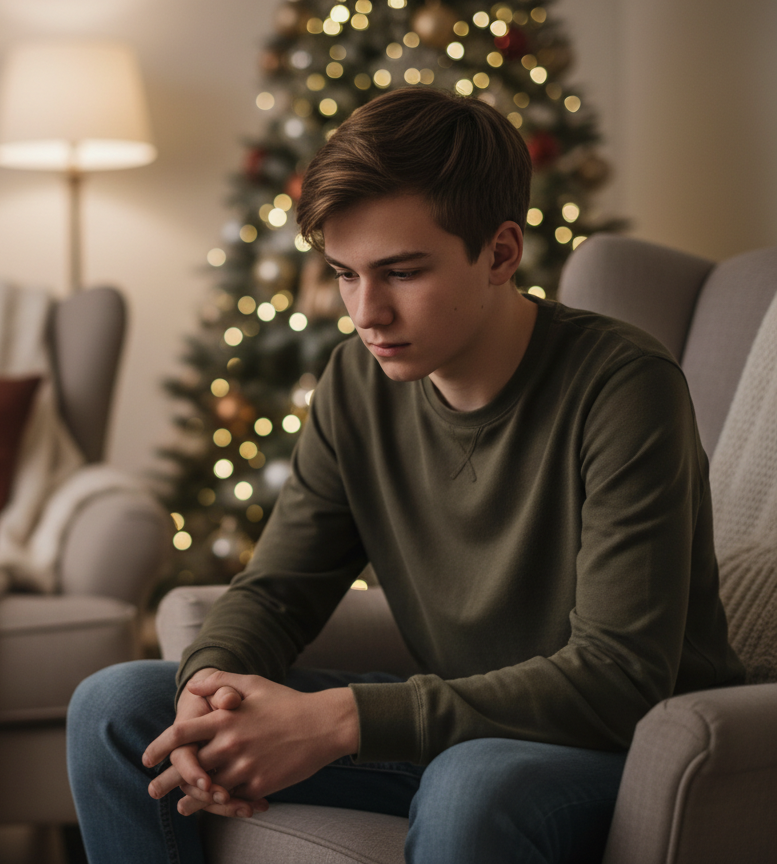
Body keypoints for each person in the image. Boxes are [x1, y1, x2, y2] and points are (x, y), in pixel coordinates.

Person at [67, 87, 744, 864]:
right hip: (460, 733)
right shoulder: (356, 383)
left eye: (401, 272)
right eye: (345, 274)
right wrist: (207, 686)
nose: (367, 312)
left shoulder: (623, 384)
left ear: (499, 253)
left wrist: (340, 720)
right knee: (116, 708)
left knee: (471, 781)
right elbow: (279, 588)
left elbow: (619, 676)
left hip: (614, 748)